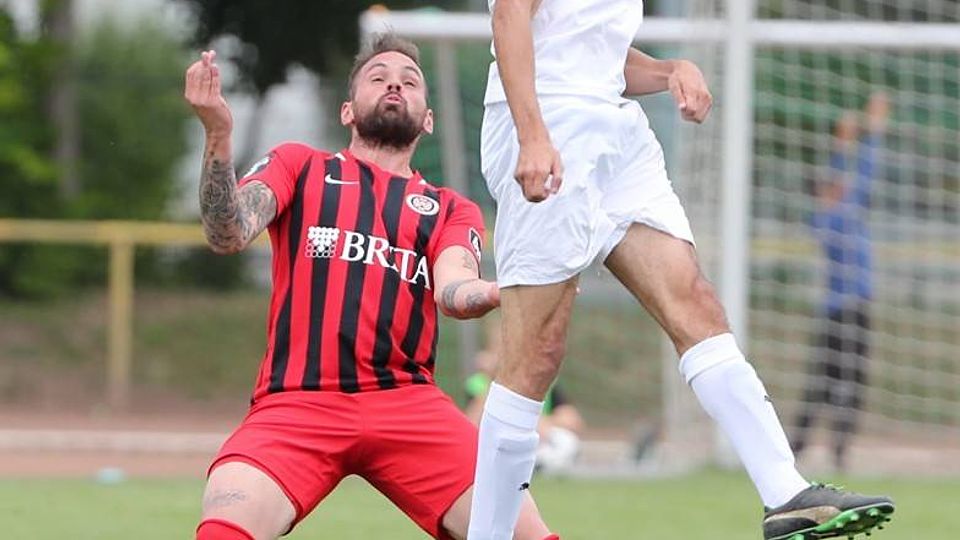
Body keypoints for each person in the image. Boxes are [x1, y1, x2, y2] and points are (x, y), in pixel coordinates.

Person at [467, 2, 895, 540]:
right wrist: (532, 135)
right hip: (550, 120)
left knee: (695, 301)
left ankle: (786, 494)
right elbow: (510, 16)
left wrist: (669, 71)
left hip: (615, 126)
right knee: (534, 356)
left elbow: (590, 49)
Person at [184, 33, 559, 540]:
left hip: (408, 403)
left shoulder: (450, 209)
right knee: (225, 527)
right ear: (347, 111)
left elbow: (454, 291)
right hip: (298, 401)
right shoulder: (299, 165)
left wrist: (501, 292)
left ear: (428, 119)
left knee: (526, 534)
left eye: (410, 81)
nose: (394, 86)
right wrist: (218, 133)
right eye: (378, 78)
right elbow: (226, 233)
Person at [792, 93, 889, 472]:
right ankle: (825, 449)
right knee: (839, 381)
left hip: (841, 309)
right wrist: (869, 131)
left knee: (829, 381)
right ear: (825, 194)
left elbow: (851, 179)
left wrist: (843, 143)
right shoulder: (837, 217)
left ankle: (811, 447)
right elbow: (864, 174)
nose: (840, 188)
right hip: (847, 310)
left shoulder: (825, 218)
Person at [464, 318, 584, 474]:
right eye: (501, 348)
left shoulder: (543, 381)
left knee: (566, 441)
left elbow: (573, 422)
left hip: (537, 442)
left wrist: (538, 424)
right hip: (499, 447)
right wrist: (491, 380)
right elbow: (472, 425)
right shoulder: (477, 383)